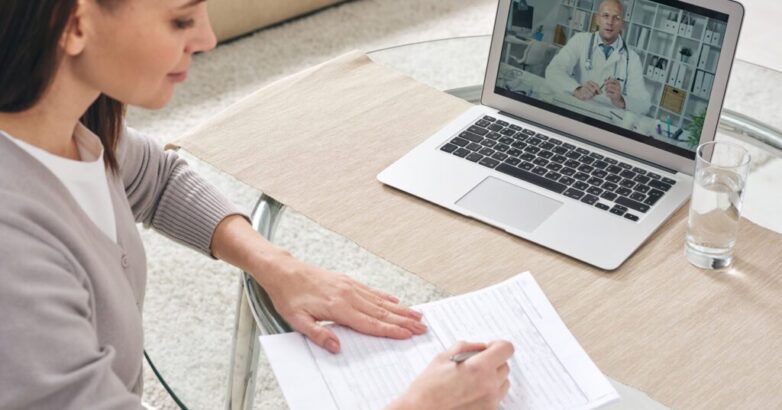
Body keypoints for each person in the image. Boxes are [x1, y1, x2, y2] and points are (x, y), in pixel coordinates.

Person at [0, 1, 513, 409]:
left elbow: (156, 179)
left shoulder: (71, 122)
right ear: (72, 24)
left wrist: (279, 265)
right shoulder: (15, 256)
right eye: (181, 18)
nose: (206, 39)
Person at [545, 0, 651, 115]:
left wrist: (620, 100)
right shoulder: (580, 40)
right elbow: (553, 70)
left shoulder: (632, 58)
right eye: (606, 15)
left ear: (622, 24)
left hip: (608, 119)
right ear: (597, 19)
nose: (610, 22)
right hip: (577, 109)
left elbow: (644, 104)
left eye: (616, 18)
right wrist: (577, 90)